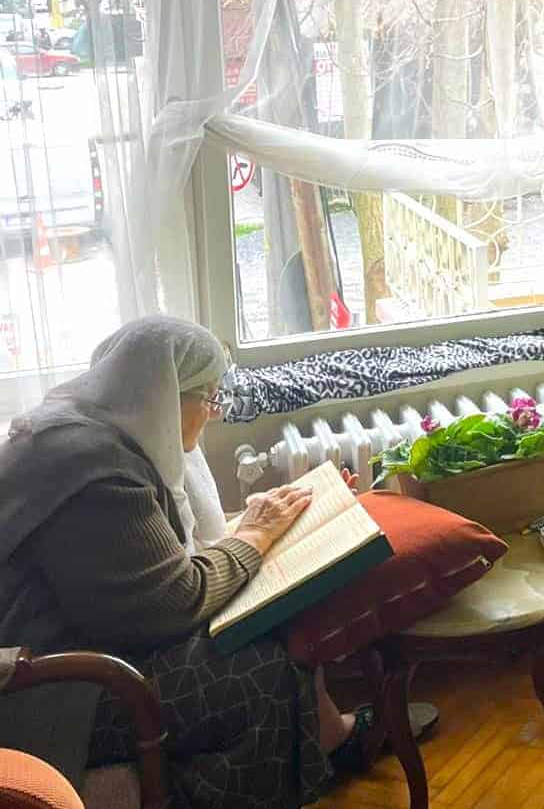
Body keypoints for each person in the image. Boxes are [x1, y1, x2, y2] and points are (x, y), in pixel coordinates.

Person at [0, 316, 370, 807]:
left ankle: (322, 747)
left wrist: (261, 526)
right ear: (164, 396)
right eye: (210, 398)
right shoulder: (95, 471)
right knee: (258, 669)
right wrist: (256, 534)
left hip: (84, 643)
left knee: (269, 627)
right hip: (50, 690)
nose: (214, 413)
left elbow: (158, 558)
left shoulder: (95, 430)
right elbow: (174, 601)